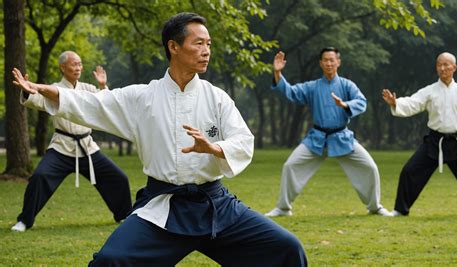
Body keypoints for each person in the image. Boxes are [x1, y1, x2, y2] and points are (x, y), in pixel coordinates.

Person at [12, 13, 307, 266]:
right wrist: (37, 91)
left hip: (216, 206)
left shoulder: (217, 98)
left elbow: (243, 140)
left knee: (286, 249)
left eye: (209, 45)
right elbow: (89, 104)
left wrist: (214, 148)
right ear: (173, 46)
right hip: (164, 207)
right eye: (198, 43)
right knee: (110, 261)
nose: (206, 51)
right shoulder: (143, 97)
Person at [10, 51, 132, 232]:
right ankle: (25, 221)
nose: (78, 68)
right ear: (62, 67)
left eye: (80, 64)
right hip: (62, 147)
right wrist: (28, 91)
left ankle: (124, 215)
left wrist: (103, 85)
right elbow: (38, 101)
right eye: (74, 64)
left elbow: (106, 104)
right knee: (39, 177)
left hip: (87, 147)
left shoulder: (88, 89)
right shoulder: (54, 89)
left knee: (118, 178)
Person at [265, 48, 391, 217]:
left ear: (338, 62)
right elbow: (291, 92)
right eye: (325, 60)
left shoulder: (347, 85)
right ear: (321, 63)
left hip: (341, 137)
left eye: (332, 60)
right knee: (290, 166)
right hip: (317, 138)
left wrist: (345, 105)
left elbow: (361, 102)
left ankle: (375, 207)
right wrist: (277, 72)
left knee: (370, 167)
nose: (329, 63)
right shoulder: (313, 87)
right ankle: (283, 208)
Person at [382, 52, 457, 216]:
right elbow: (413, 103)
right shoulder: (430, 91)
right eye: (439, 65)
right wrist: (396, 102)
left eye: (446, 65)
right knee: (410, 171)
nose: (443, 68)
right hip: (434, 142)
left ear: (454, 67)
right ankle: (400, 210)